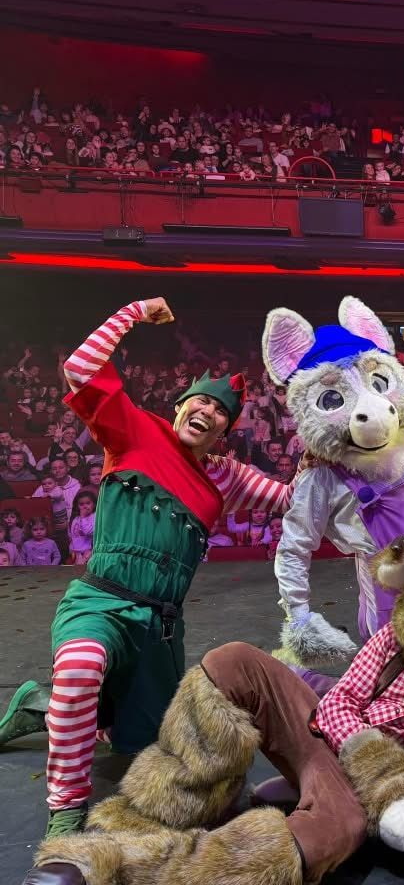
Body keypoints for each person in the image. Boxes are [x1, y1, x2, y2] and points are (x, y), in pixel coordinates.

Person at [3, 298, 296, 840]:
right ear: (180, 405)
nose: (208, 411)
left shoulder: (226, 476)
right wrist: (133, 312)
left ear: (224, 430)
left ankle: (37, 707)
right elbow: (80, 369)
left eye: (220, 412)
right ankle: (66, 809)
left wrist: (323, 453)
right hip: (100, 601)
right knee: (82, 667)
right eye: (200, 401)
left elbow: (293, 500)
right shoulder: (135, 430)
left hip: (159, 633)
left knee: (138, 744)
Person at [67, 491, 96, 566]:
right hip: (76, 552)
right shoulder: (76, 518)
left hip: (90, 551)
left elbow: (88, 532)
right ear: (77, 506)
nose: (85, 506)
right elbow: (72, 535)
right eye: (81, 504)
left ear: (94, 504)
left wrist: (83, 517)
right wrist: (72, 549)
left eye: (88, 503)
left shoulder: (95, 517)